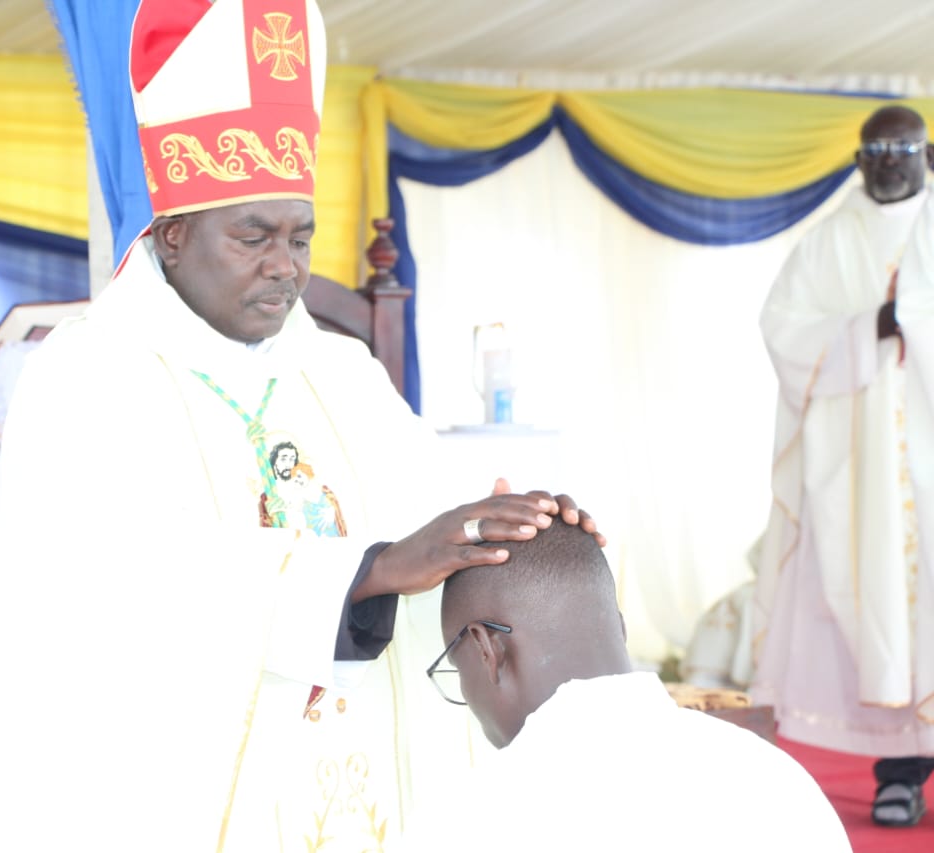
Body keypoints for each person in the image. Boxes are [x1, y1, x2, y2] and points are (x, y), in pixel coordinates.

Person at [0, 1, 600, 851]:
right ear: (172, 234)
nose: (285, 267)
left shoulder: (340, 371)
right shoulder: (87, 372)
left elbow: (429, 508)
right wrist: (367, 570)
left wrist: (514, 531)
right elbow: (126, 577)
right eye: (252, 236)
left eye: (300, 237)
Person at [400, 523, 850, 852]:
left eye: (454, 669)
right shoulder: (776, 779)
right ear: (619, 627)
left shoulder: (466, 821)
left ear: (486, 649)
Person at [751, 103, 934, 828]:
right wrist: (868, 329)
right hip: (862, 468)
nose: (887, 161)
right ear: (858, 160)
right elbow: (783, 327)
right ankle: (901, 773)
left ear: (926, 154)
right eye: (874, 150)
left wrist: (915, 320)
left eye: (901, 148)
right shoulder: (827, 241)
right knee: (882, 603)